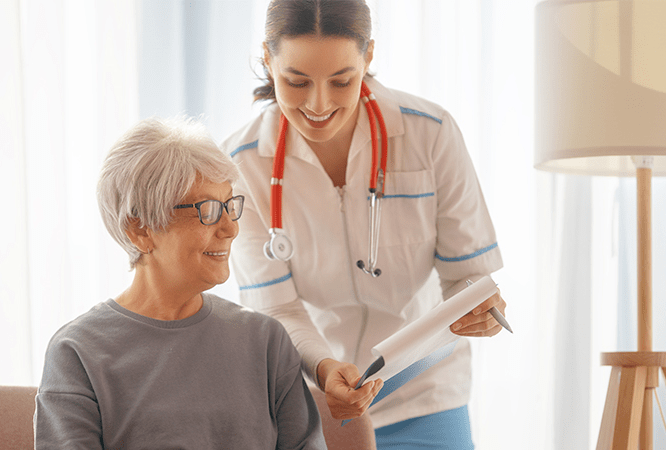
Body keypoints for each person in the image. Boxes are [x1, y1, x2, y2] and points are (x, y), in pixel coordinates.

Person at [222, 1, 507, 449]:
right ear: (267, 59)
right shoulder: (241, 164)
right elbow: (278, 309)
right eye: (296, 81)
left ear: (368, 57)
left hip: (425, 392)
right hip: (318, 401)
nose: (319, 104)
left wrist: (478, 309)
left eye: (342, 80)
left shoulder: (430, 134)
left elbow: (466, 277)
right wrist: (323, 369)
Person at [34, 116, 327, 450]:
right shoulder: (77, 352)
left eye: (231, 205)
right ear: (140, 229)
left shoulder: (266, 342)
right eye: (208, 210)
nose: (230, 228)